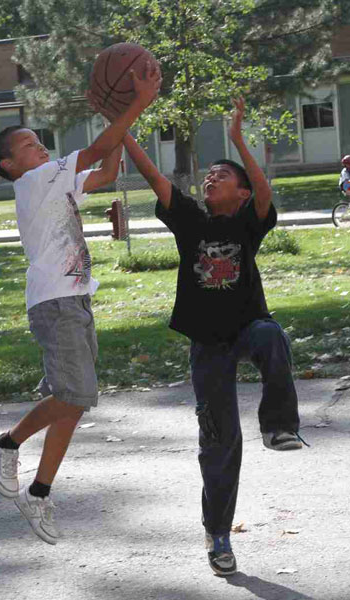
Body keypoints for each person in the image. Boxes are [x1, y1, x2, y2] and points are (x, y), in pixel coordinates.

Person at [91, 96, 304, 576]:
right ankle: (219, 534)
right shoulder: (191, 221)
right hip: (208, 344)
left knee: (271, 334)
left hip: (248, 330)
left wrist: (237, 140)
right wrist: (120, 126)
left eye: (222, 174)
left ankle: (278, 426)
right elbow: (153, 175)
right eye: (208, 173)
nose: (211, 177)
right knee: (219, 443)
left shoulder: (249, 222)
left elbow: (267, 193)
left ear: (243, 193)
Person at [0, 64, 161, 545]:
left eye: (39, 142)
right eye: (28, 145)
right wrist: (133, 104)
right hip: (55, 302)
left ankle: (39, 492)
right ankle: (5, 443)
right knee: (75, 394)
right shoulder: (35, 180)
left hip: (75, 298)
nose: (40, 147)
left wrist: (117, 117)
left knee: (74, 403)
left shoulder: (52, 180)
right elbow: (99, 150)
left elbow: (106, 169)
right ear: (9, 165)